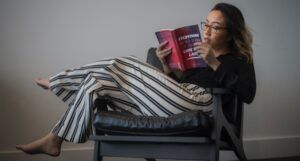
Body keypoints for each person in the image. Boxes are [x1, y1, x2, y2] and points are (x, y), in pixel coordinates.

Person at [15, 2, 256, 157]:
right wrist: (164, 64)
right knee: (96, 83)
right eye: (206, 24)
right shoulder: (196, 55)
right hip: (177, 101)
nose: (207, 31)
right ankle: (54, 139)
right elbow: (178, 87)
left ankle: (58, 82)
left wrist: (214, 62)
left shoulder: (239, 59)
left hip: (203, 104)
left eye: (215, 27)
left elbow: (248, 93)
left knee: (124, 62)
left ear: (231, 33)